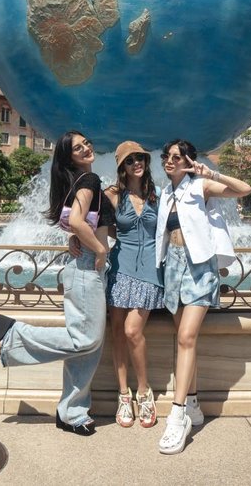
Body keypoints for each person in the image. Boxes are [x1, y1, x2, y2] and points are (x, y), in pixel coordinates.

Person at [0, 130, 115, 436]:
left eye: (86, 143)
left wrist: (78, 238)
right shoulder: (89, 181)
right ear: (69, 157)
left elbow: (75, 223)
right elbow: (80, 222)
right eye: (77, 148)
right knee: (85, 340)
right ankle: (14, 334)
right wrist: (98, 250)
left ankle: (71, 412)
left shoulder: (80, 182)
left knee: (87, 349)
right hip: (87, 268)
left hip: (86, 267)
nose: (86, 148)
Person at [155, 139, 251, 455]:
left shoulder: (200, 187)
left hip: (198, 267)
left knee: (185, 338)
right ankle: (194, 403)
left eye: (176, 157)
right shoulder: (166, 193)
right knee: (185, 340)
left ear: (189, 161)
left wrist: (214, 174)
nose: (170, 160)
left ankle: (178, 414)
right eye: (167, 156)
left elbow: (244, 189)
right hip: (173, 267)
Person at [102, 141, 163, 429]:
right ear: (121, 168)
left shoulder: (157, 195)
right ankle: (124, 395)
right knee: (117, 333)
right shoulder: (112, 195)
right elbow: (97, 226)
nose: (136, 163)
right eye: (130, 160)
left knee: (131, 330)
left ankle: (145, 391)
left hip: (149, 272)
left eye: (140, 158)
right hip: (119, 269)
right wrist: (77, 239)